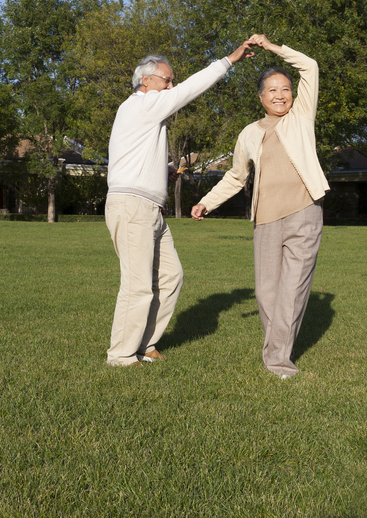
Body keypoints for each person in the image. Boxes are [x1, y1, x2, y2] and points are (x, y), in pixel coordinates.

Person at [106, 42, 256, 367]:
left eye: (172, 81)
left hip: (149, 210)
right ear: (145, 81)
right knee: (138, 284)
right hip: (133, 208)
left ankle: (144, 344)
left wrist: (165, 173)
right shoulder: (143, 104)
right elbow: (191, 89)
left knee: (171, 276)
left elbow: (133, 159)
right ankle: (120, 355)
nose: (171, 86)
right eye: (167, 80)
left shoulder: (143, 113)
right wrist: (230, 59)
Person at [191, 34, 329, 378]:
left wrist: (273, 48)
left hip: (304, 211)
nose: (281, 95)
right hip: (266, 219)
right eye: (273, 90)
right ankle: (276, 349)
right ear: (261, 97)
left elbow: (309, 66)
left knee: (293, 289)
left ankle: (278, 361)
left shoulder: (301, 116)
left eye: (285, 88)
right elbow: (236, 177)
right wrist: (207, 202)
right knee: (267, 292)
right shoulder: (249, 133)